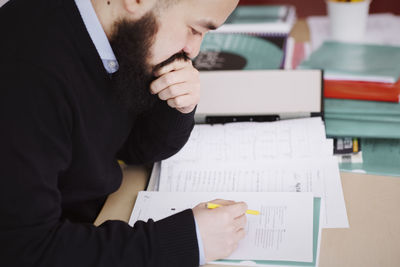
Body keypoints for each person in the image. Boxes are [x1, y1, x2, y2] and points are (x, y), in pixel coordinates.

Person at [0, 0, 248, 266]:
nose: (193, 50)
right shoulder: (30, 73)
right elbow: (25, 249)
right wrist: (188, 239)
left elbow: (136, 149)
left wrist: (177, 105)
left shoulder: (116, 38)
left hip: (99, 220)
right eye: (195, 29)